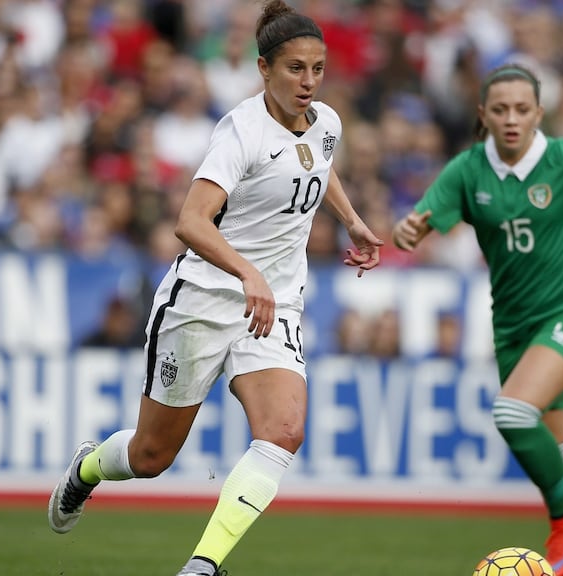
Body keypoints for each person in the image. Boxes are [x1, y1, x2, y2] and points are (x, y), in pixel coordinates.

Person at [47, 3, 384, 576]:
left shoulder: (326, 122)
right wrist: (246, 271)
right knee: (151, 455)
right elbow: (191, 221)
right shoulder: (242, 130)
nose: (308, 82)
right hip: (202, 300)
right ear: (263, 68)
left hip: (272, 306)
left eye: (318, 69)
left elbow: (317, 165)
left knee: (284, 430)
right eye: (295, 69)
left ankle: (202, 566)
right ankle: (86, 470)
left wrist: (350, 219)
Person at [391, 63, 563, 576]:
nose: (512, 119)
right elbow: (417, 224)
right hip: (515, 328)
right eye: (500, 109)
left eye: (523, 109)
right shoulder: (468, 170)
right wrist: (407, 232)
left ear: (539, 113)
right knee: (558, 449)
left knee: (513, 413)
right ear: (484, 115)